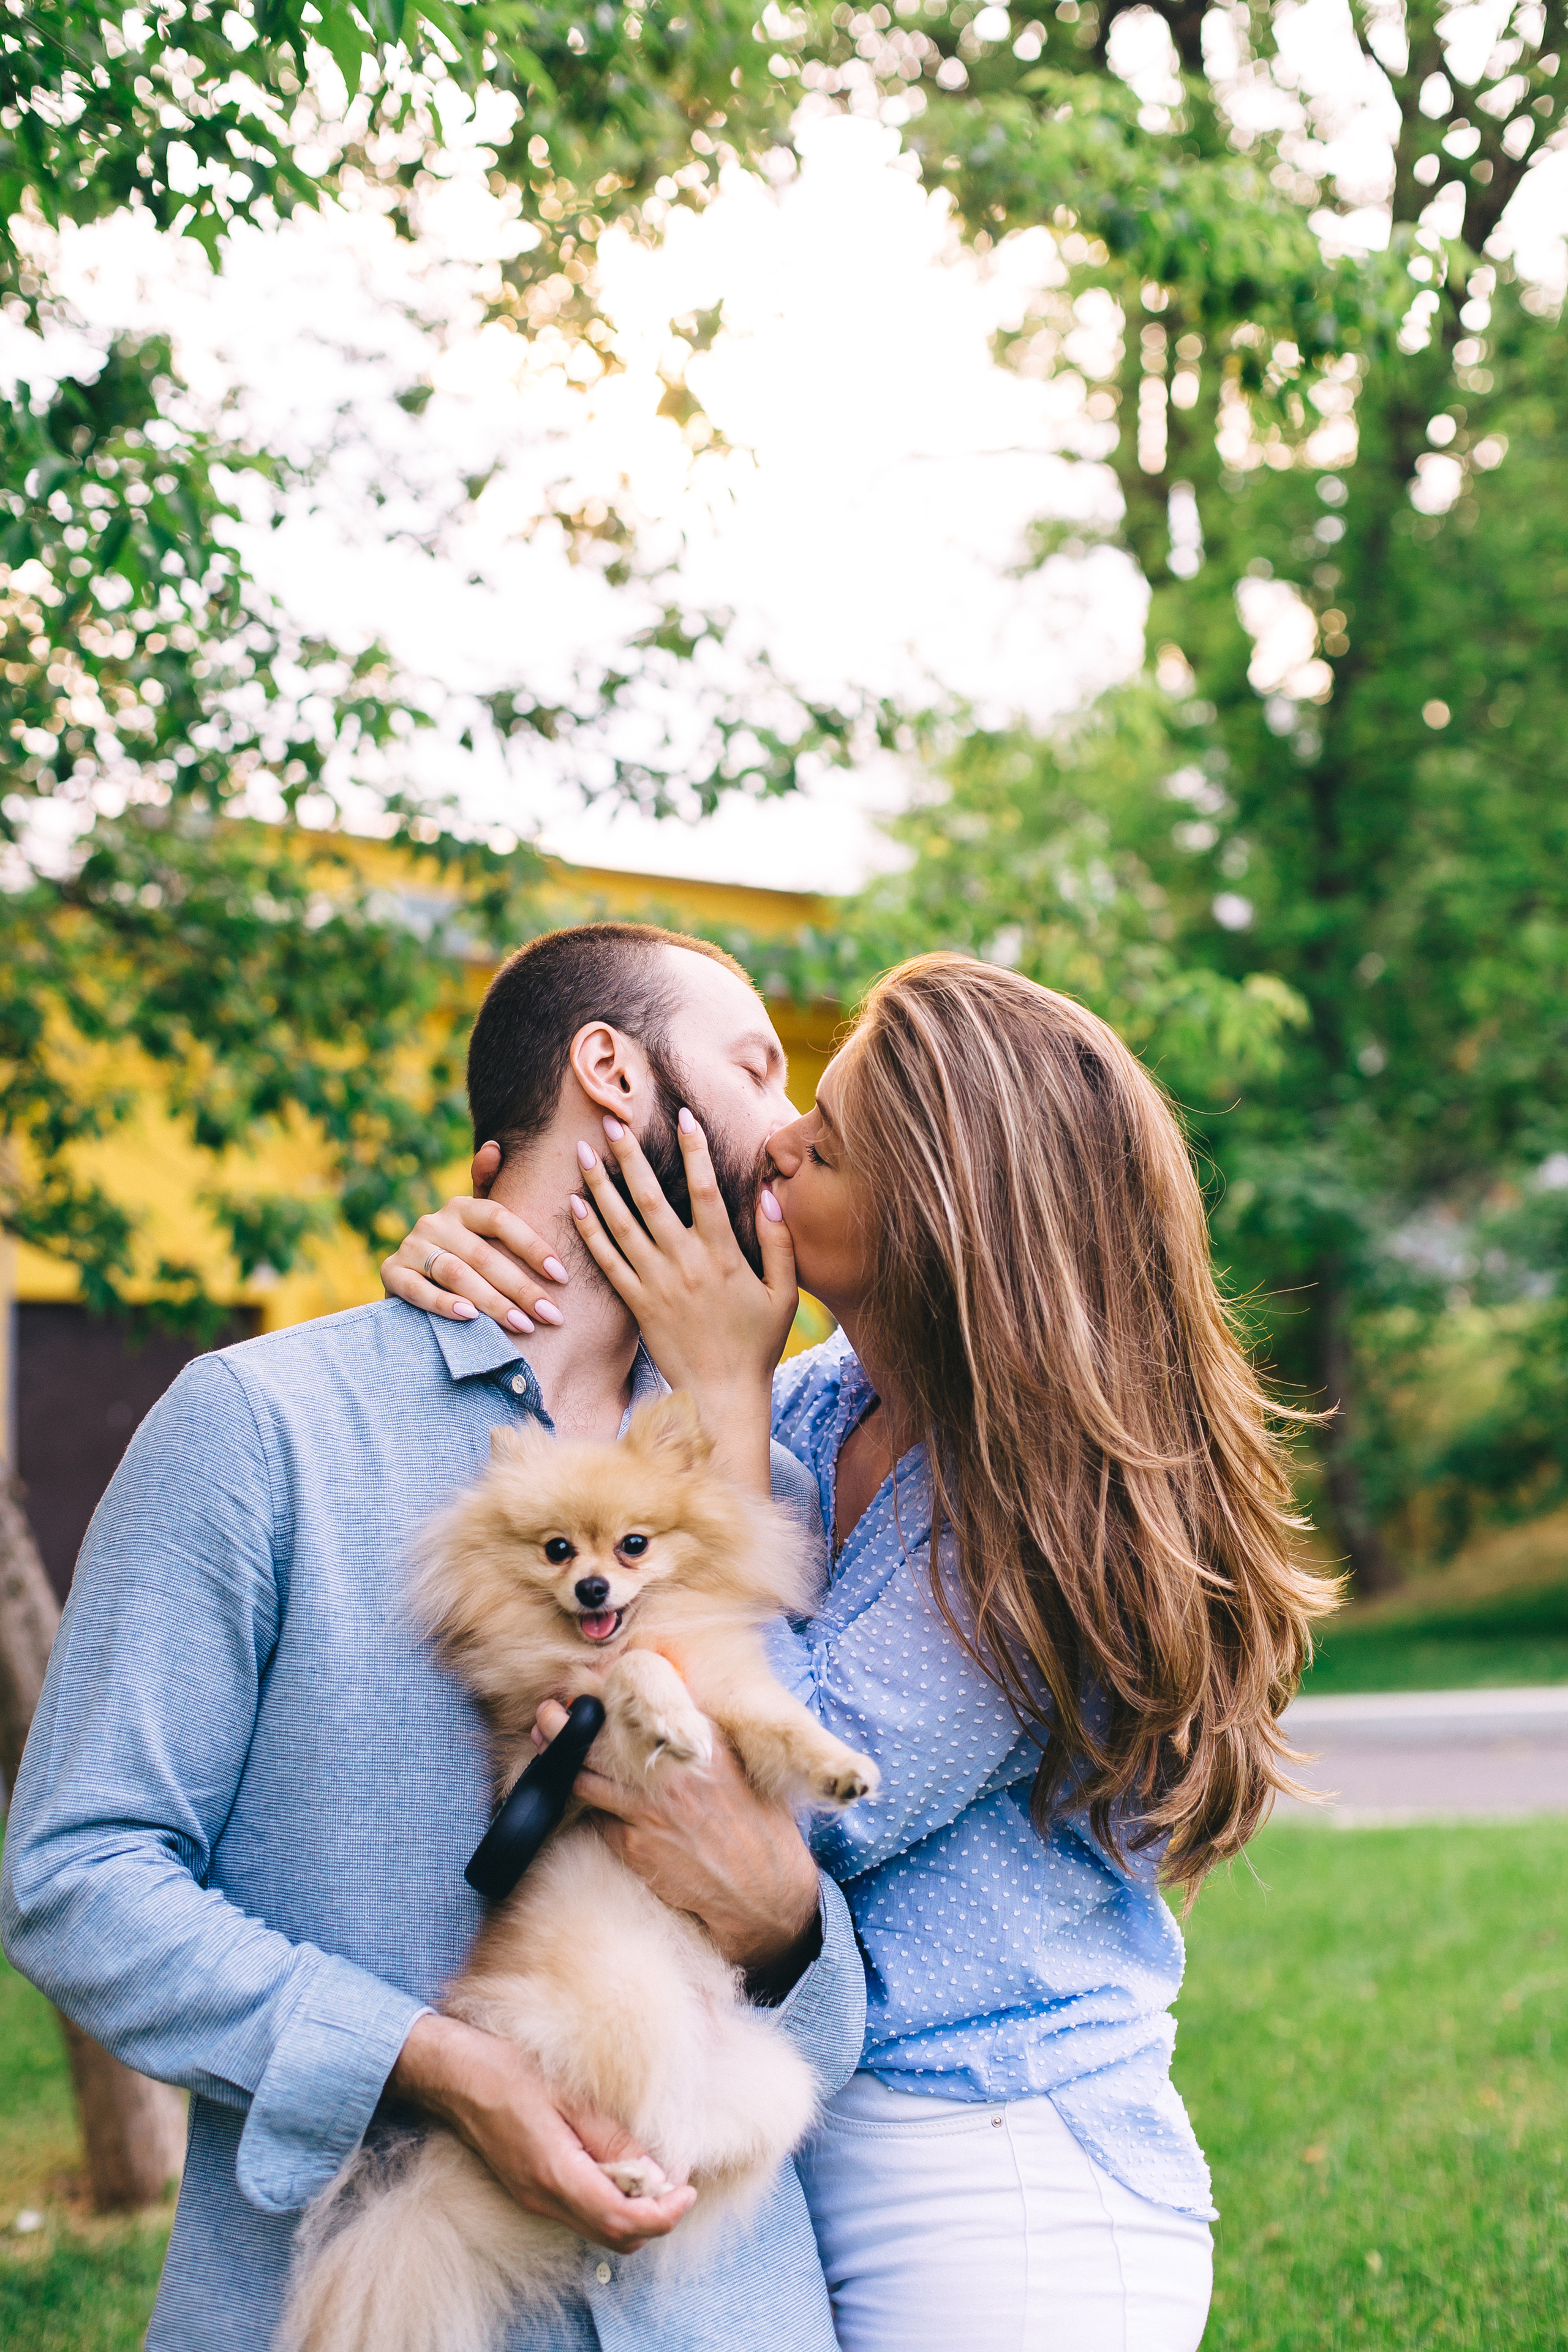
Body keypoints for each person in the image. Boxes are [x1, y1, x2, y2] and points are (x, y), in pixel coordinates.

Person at [387, 949, 1336, 2352]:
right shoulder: (823, 1409)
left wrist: (717, 1385)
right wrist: (460, 1248)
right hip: (785, 2131)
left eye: (823, 1146)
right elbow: (600, 1497)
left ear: (939, 1214)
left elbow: (744, 1803)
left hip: (989, 2172)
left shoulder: (1041, 1518)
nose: (774, 1144)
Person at [1, 922, 869, 2352]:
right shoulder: (261, 1429)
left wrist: (778, 1918)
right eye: (757, 1068)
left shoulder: (765, 1465)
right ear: (610, 1069)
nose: (787, 1134)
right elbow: (74, 1877)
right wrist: (433, 2065)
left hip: (722, 2305)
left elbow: (836, 1987)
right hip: (358, 2297)